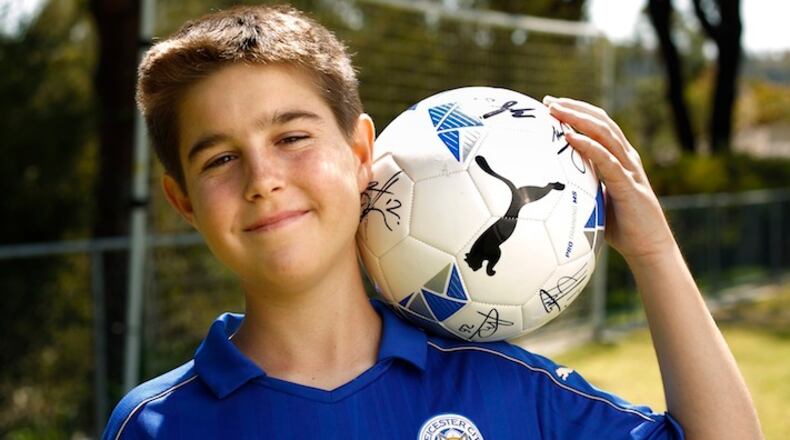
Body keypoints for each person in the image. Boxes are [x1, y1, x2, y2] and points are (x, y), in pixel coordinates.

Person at [103, 4, 762, 439]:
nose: (263, 178)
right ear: (183, 200)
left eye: (292, 137)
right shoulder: (154, 423)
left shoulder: (503, 387)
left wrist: (653, 251)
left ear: (363, 151)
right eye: (219, 157)